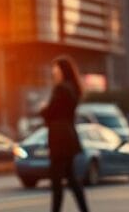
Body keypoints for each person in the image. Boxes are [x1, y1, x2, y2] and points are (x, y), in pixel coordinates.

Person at [40, 55, 90, 212]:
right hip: (69, 138)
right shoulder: (74, 88)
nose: (53, 71)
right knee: (71, 179)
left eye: (55, 68)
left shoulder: (60, 88)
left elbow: (50, 112)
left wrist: (43, 107)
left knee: (56, 181)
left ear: (62, 69)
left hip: (59, 139)